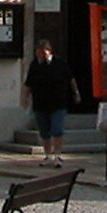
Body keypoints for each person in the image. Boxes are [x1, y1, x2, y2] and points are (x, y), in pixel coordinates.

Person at [22, 38, 75, 166]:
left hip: (58, 102)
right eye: (39, 51)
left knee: (57, 128)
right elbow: (28, 83)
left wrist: (76, 93)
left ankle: (57, 155)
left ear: (49, 51)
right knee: (44, 131)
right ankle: (48, 155)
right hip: (40, 103)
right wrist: (24, 98)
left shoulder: (59, 64)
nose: (42, 53)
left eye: (44, 50)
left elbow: (71, 79)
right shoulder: (35, 65)